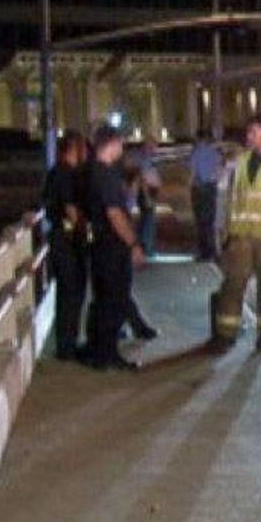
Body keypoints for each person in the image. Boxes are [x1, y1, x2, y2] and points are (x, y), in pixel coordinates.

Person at [210, 113, 261, 352]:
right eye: (248, 132)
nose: (249, 137)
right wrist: (223, 231)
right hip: (240, 236)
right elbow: (227, 196)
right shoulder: (239, 162)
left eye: (254, 132)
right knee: (233, 284)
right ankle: (226, 334)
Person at [86, 125, 146, 370]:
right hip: (113, 246)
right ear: (111, 144)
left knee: (103, 300)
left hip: (98, 244)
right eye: (121, 144)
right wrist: (133, 243)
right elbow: (115, 214)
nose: (122, 149)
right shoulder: (108, 175)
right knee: (115, 299)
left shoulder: (90, 172)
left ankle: (99, 353)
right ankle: (108, 356)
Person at [42, 130, 89, 360]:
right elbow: (70, 210)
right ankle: (67, 347)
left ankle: (67, 344)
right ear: (74, 148)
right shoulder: (65, 174)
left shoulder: (55, 172)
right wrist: (87, 230)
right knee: (71, 292)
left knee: (67, 293)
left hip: (60, 238)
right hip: (67, 241)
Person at [189, 129, 223, 261]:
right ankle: (212, 251)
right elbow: (219, 170)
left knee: (200, 222)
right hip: (211, 188)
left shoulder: (196, 153)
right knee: (210, 221)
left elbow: (193, 173)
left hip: (200, 188)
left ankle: (204, 252)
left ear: (198, 139)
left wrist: (190, 188)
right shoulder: (215, 153)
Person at [137, 138, 161, 256]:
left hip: (150, 192)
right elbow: (144, 180)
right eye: (154, 146)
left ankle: (146, 247)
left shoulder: (149, 159)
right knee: (148, 222)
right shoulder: (146, 160)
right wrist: (147, 197)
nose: (156, 148)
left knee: (147, 220)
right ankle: (147, 248)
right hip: (147, 192)